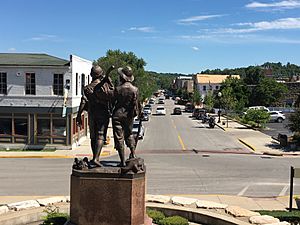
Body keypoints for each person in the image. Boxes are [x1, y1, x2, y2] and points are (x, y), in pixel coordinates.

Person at [76, 65, 114, 167]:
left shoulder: (87, 88)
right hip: (103, 113)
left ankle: (94, 157)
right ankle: (96, 158)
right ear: (101, 75)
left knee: (93, 137)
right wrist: (109, 81)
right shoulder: (105, 87)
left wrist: (79, 114)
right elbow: (113, 95)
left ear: (91, 75)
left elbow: (83, 102)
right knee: (100, 135)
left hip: (92, 114)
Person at [112, 66, 142, 167]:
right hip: (129, 115)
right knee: (129, 134)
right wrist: (140, 113)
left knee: (119, 138)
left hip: (117, 115)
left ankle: (122, 161)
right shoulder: (135, 90)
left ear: (122, 77)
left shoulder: (118, 89)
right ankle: (133, 153)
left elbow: (112, 103)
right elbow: (138, 104)